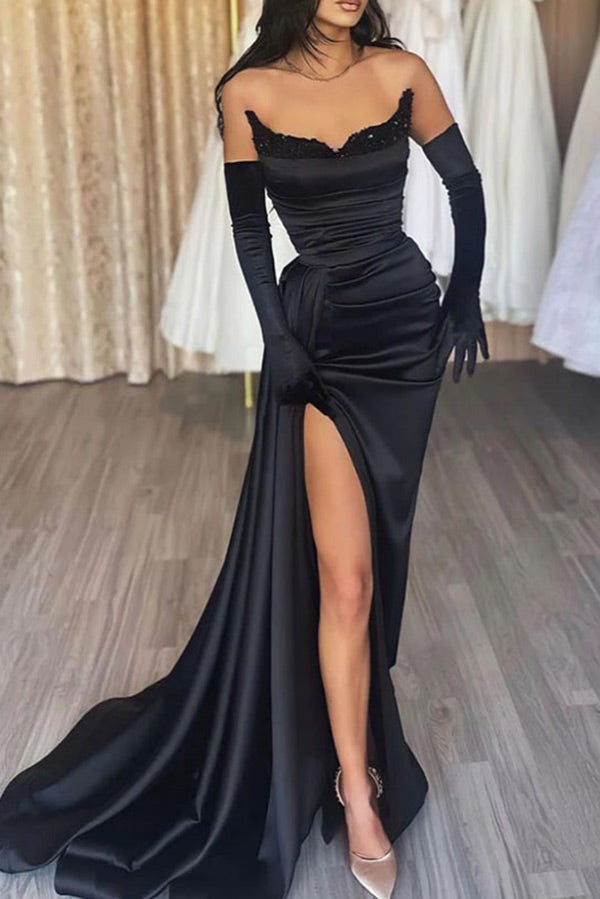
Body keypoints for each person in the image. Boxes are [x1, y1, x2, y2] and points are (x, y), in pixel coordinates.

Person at [0, 2, 487, 898]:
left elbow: (464, 181)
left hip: (403, 330)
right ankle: (357, 790)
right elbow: (251, 231)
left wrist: (464, 294)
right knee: (346, 580)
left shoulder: (401, 70)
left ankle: (352, 727)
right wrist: (279, 340)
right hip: (319, 338)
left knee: (379, 553)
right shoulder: (248, 91)